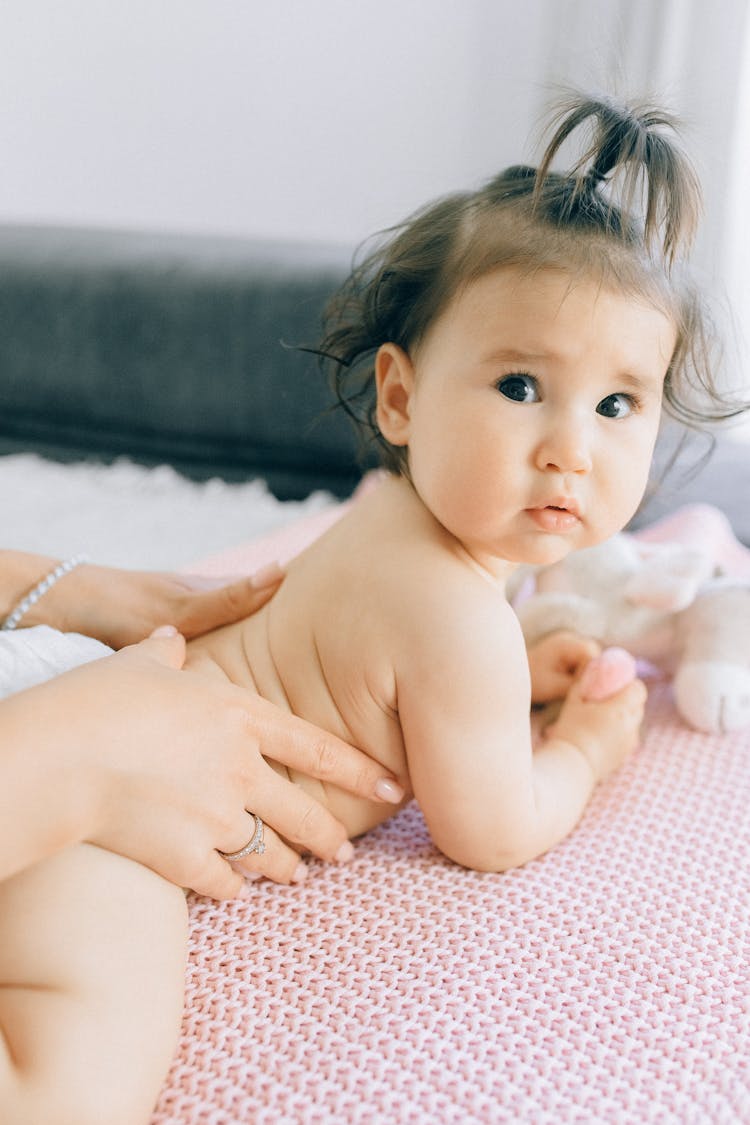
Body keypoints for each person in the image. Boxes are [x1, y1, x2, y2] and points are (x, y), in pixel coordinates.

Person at [2, 93, 744, 1124]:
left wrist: (509, 674)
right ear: (400, 397)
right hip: (100, 822)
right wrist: (584, 750)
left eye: (618, 405)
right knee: (79, 1068)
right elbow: (489, 829)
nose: (571, 446)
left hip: (54, 692)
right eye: (522, 384)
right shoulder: (460, 619)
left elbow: (375, 673)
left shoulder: (385, 520)